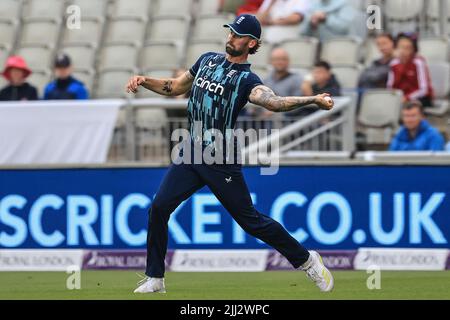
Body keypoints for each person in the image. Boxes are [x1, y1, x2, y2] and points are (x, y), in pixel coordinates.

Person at [126, 14, 334, 294]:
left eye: (237, 35)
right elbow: (175, 87)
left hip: (219, 157)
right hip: (191, 150)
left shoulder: (247, 80)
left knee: (251, 222)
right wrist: (144, 80)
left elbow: (275, 102)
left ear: (251, 43)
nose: (230, 37)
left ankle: (308, 261)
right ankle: (155, 278)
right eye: (230, 32)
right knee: (159, 207)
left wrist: (313, 100)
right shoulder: (206, 60)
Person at [387, 33, 434, 107]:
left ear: (413, 49)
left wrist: (407, 98)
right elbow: (390, 86)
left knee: (408, 107)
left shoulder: (418, 62)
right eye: (401, 47)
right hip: (400, 98)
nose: (403, 51)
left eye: (407, 48)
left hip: (419, 97)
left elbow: (424, 90)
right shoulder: (393, 63)